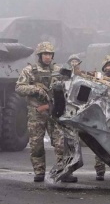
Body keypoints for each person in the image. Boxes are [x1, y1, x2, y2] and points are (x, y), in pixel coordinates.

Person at [15, 42, 77, 183]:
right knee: (36, 145)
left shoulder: (58, 70)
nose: (48, 57)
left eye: (50, 54)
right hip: (36, 113)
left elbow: (70, 85)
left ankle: (64, 171)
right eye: (45, 54)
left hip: (54, 112)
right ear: (40, 55)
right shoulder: (30, 70)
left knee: (61, 143)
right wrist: (36, 89)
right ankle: (39, 172)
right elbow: (19, 88)